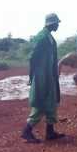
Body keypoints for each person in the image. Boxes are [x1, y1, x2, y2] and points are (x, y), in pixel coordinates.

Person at [21, 13, 65, 143]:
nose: (58, 25)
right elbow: (32, 57)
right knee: (40, 102)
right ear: (51, 23)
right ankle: (26, 131)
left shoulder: (49, 37)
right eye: (57, 23)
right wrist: (34, 75)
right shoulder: (41, 37)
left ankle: (50, 132)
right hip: (42, 76)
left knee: (51, 103)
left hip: (49, 76)